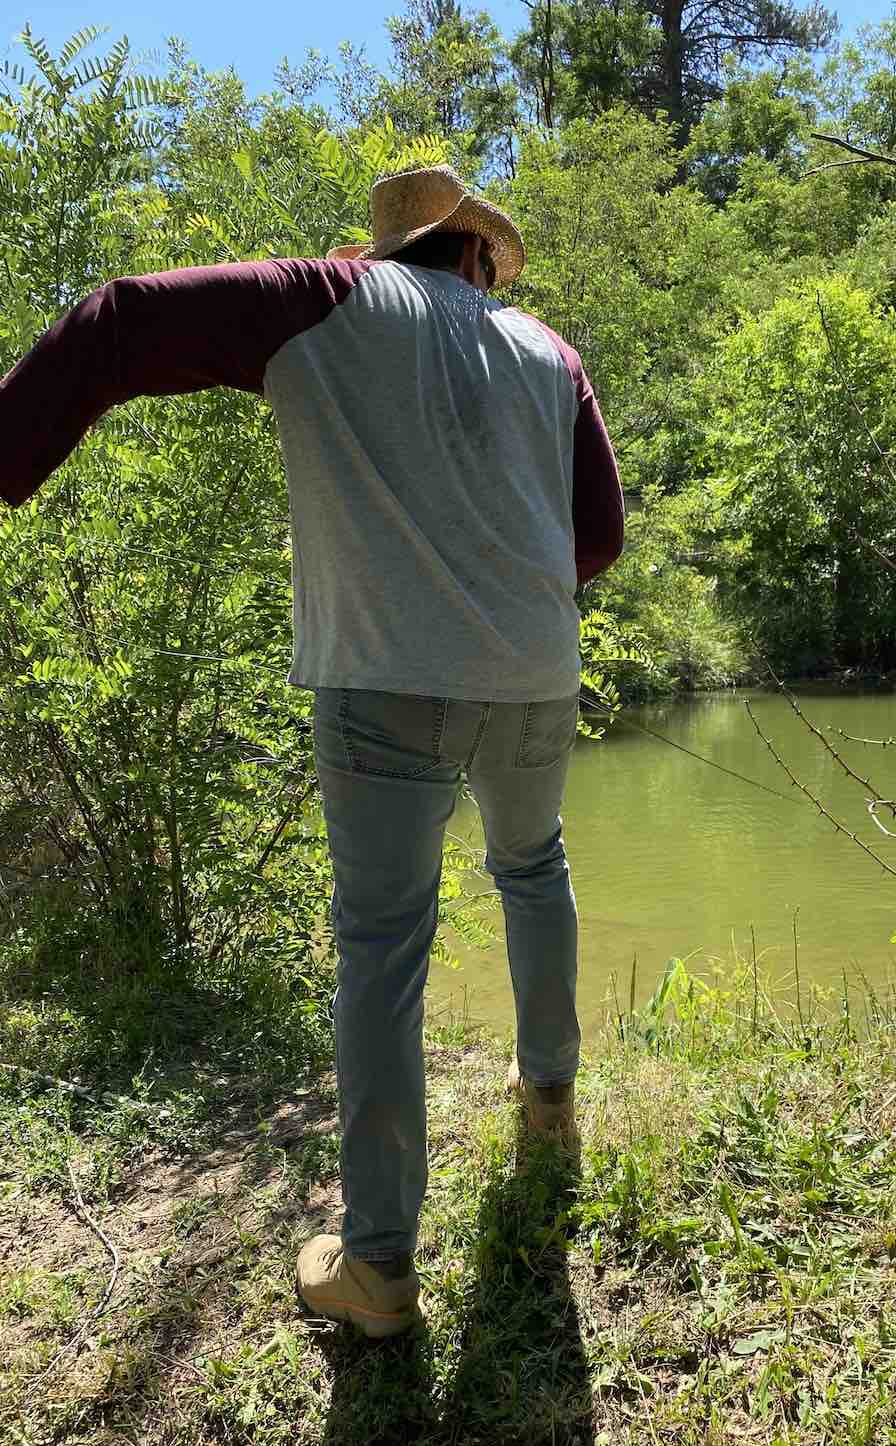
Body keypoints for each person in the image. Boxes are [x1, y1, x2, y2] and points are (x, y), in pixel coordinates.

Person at [0, 164, 624, 1338]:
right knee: (533, 866)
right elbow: (602, 533)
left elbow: (125, 317)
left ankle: (380, 1265)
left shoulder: (325, 300)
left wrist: (10, 450)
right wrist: (515, 603)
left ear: (391, 250)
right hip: (536, 672)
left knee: (385, 945)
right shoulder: (550, 352)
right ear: (478, 257)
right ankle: (550, 1101)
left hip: (385, 678)